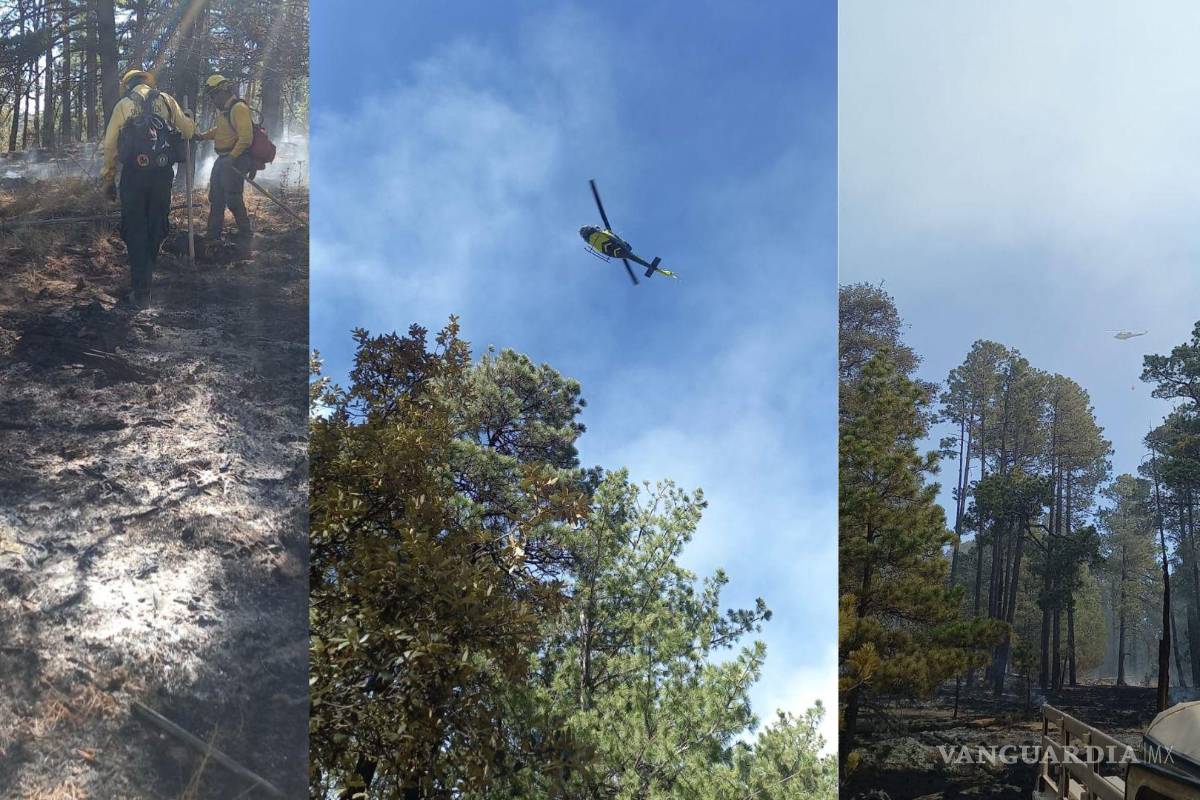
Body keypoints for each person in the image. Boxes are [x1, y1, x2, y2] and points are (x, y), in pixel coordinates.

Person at [100, 69, 195, 309]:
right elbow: (188, 131)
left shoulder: (123, 105)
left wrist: (109, 179)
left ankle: (139, 287)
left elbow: (110, 144)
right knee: (156, 226)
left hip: (133, 176)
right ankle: (146, 282)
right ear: (147, 82)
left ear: (128, 85)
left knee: (135, 229)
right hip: (162, 175)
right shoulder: (166, 101)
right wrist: (187, 117)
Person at [197, 74, 255, 255]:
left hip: (235, 158)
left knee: (233, 199)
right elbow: (220, 131)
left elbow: (246, 138)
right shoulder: (225, 111)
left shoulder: (238, 108)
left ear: (223, 91)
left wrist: (232, 157)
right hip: (224, 158)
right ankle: (213, 236)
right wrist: (202, 136)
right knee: (216, 198)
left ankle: (246, 235)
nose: (213, 100)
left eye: (214, 95)